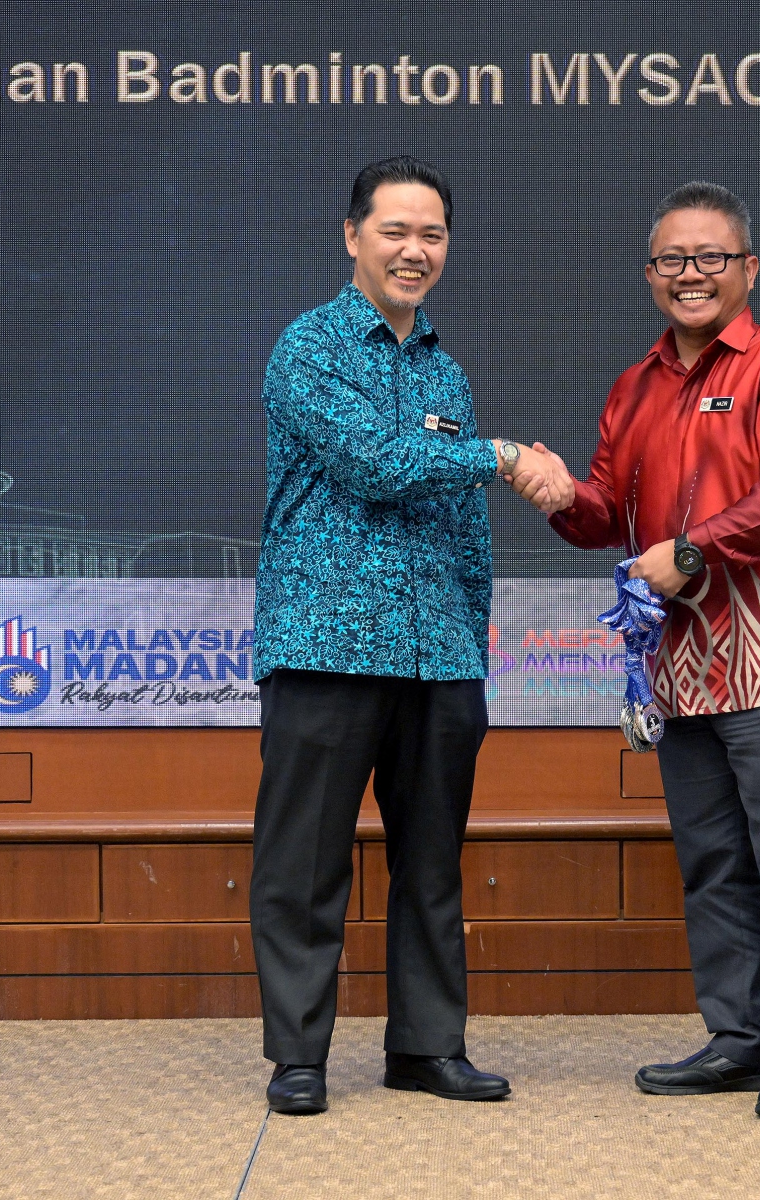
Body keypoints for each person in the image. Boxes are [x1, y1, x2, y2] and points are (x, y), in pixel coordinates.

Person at [251, 155, 574, 1116]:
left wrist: (471, 642)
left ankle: (428, 1047)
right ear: (352, 236)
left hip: (439, 656)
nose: (414, 250)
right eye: (395, 231)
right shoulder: (308, 347)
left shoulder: (445, 369)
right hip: (327, 644)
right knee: (305, 862)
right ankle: (298, 1057)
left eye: (432, 234)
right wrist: (504, 454)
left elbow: (464, 526)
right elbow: (375, 463)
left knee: (431, 863)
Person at [542, 181, 760, 1119]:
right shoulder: (634, 385)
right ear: (650, 274)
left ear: (748, 268)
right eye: (672, 259)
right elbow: (607, 512)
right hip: (681, 669)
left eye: (711, 257)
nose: (691, 273)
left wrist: (689, 552)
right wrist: (557, 494)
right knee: (714, 861)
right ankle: (744, 1038)